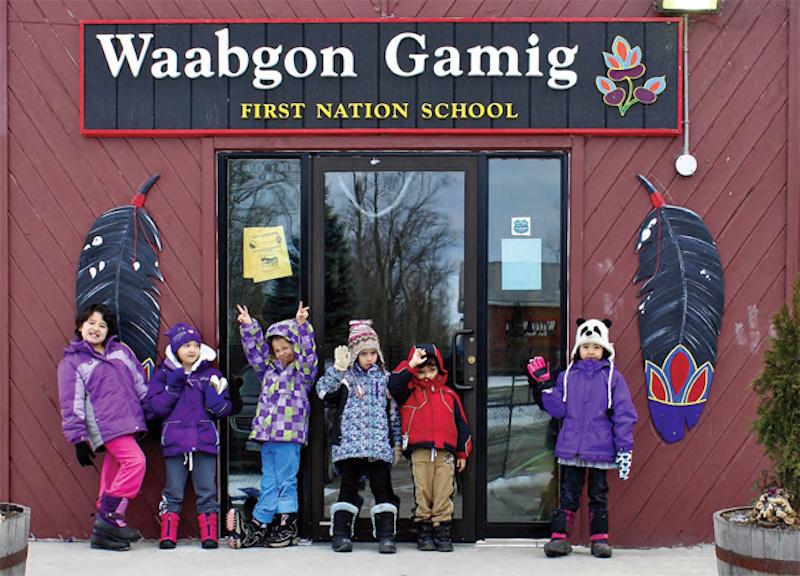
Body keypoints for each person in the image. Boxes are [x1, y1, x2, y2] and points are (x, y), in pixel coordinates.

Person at [528, 318, 638, 559]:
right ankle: (559, 538)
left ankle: (599, 540)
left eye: (596, 347)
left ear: (605, 350)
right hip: (572, 449)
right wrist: (546, 385)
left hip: (601, 449)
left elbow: (624, 414)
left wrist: (624, 449)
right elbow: (557, 409)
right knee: (568, 493)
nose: (591, 352)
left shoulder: (613, 378)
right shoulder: (567, 376)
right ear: (578, 349)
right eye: (586, 347)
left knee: (598, 495)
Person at [57, 303, 148, 551]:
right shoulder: (74, 362)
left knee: (112, 473)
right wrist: (77, 438)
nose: (96, 329)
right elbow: (71, 402)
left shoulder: (121, 352)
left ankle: (106, 532)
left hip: (129, 421)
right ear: (80, 326)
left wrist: (150, 410)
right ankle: (108, 518)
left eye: (102, 325)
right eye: (91, 323)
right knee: (135, 462)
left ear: (109, 331)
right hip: (105, 425)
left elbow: (139, 382)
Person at [226, 301, 317, 548]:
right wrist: (249, 327)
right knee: (269, 480)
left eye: (285, 348)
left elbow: (309, 353)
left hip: (290, 435)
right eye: (276, 349)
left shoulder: (302, 373)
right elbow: (255, 353)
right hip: (267, 434)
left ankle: (286, 524)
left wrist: (301, 326)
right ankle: (262, 522)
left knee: (286, 480)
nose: (281, 353)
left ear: (294, 346)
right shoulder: (268, 371)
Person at [145, 322, 235, 549]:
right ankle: (167, 534)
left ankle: (209, 535)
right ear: (176, 349)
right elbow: (155, 407)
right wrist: (173, 388)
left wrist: (215, 400)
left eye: (196, 344)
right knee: (173, 489)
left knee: (207, 489)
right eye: (186, 345)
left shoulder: (211, 375)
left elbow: (224, 409)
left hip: (203, 440)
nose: (192, 349)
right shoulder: (164, 374)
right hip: (175, 441)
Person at [316, 320, 402, 554]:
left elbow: (393, 413)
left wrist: (396, 444)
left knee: (381, 488)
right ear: (355, 354)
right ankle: (342, 535)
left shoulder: (384, 378)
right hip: (350, 446)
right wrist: (338, 369)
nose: (369, 358)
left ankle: (386, 535)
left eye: (373, 353)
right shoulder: (346, 376)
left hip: (377, 446)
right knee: (348, 488)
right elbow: (322, 391)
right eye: (363, 353)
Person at [388, 343, 471, 552]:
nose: (426, 376)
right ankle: (424, 529)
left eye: (431, 370)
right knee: (423, 490)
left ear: (440, 370)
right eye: (422, 371)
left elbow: (461, 424)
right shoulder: (409, 392)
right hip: (420, 450)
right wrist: (411, 365)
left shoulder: (449, 395)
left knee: (443, 490)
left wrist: (462, 452)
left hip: (445, 451)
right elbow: (394, 384)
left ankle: (442, 530)